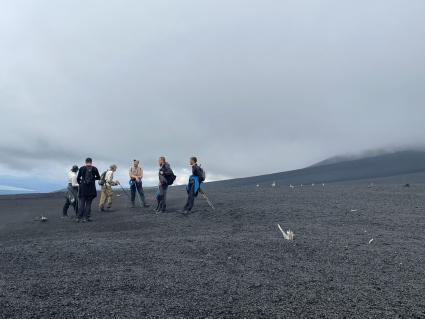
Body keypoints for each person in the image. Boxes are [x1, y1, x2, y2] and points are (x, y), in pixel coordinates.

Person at [77, 158, 100, 222]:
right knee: (88, 204)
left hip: (83, 189)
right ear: (91, 162)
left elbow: (78, 178)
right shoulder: (95, 169)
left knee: (82, 203)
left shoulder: (82, 168)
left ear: (85, 162)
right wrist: (93, 179)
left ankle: (79, 218)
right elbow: (99, 177)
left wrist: (81, 183)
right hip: (91, 189)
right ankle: (86, 218)